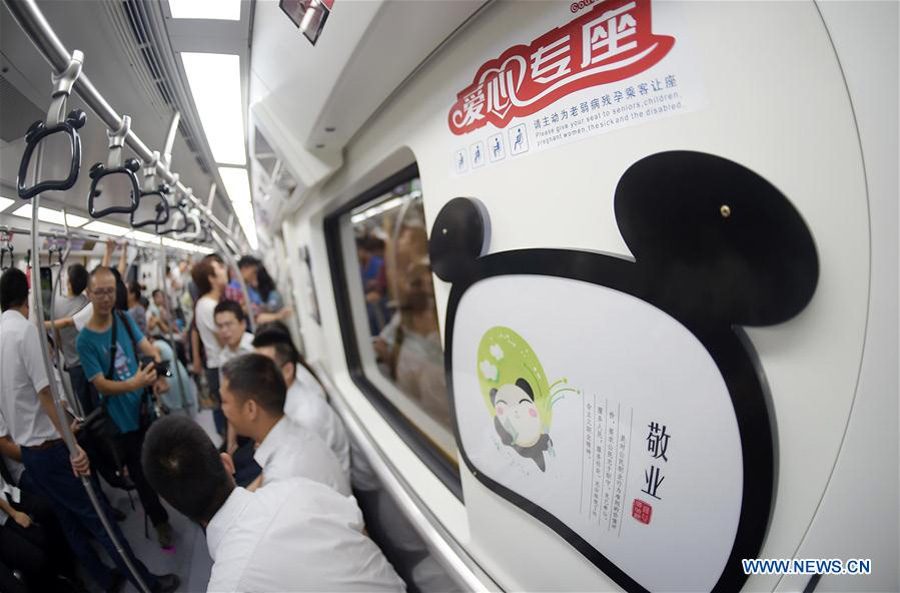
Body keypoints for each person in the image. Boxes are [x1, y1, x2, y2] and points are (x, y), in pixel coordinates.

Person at [0, 267, 178, 593]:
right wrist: (73, 445)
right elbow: (44, 394)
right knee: (100, 519)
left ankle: (104, 578)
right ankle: (147, 582)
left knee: (70, 521)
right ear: (27, 295)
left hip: (31, 453)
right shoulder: (26, 333)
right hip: (52, 448)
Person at [142, 415, 405, 592]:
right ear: (227, 463)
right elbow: (360, 533)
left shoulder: (228, 585)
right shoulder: (297, 487)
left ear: (170, 503)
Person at [76, 266, 175, 549]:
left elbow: (147, 347)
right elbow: (101, 385)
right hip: (121, 420)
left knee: (164, 459)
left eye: (111, 291)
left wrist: (155, 368)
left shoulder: (123, 319)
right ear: (88, 294)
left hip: (145, 407)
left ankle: (182, 502)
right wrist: (135, 382)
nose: (106, 297)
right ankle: (160, 521)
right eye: (100, 292)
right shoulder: (85, 341)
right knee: (141, 474)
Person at [219, 354, 350, 495]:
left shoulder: (282, 478)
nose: (222, 409)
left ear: (251, 409)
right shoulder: (297, 433)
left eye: (225, 402)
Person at [253, 331, 350, 476]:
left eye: (264, 369)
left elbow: (304, 470)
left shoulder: (307, 416)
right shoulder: (282, 396)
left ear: (287, 370)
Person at [49, 263, 97, 415]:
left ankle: (90, 436)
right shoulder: (88, 303)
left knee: (85, 407)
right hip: (91, 362)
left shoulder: (55, 305)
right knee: (98, 405)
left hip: (73, 364)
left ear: (68, 283)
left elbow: (57, 338)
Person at [191, 254, 229, 436]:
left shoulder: (209, 303)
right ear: (211, 279)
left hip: (219, 364)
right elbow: (226, 339)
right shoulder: (208, 307)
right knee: (226, 415)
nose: (224, 271)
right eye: (219, 269)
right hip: (219, 366)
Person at [214, 301, 255, 457]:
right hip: (241, 424)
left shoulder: (255, 348)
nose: (224, 331)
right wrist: (231, 441)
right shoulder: (223, 358)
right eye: (220, 326)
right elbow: (229, 400)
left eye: (229, 324)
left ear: (242, 324)